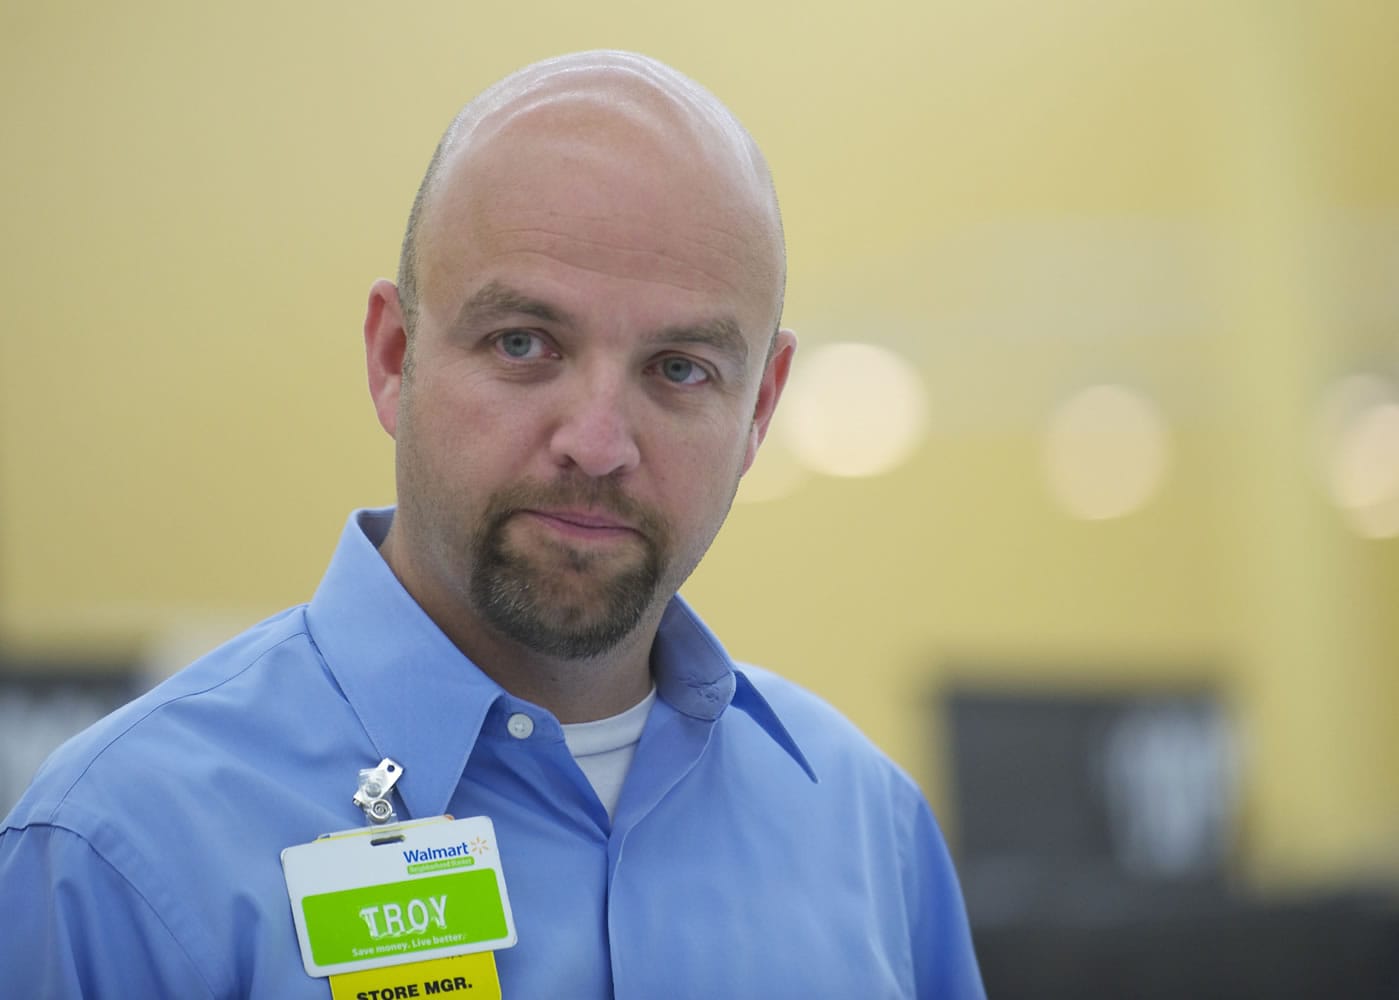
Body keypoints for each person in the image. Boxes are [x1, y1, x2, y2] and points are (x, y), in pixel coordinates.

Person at [0, 51, 984, 998]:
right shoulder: (120, 853)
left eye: (680, 367)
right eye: (524, 344)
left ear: (760, 407)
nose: (597, 443)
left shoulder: (867, 829)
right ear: (394, 357)